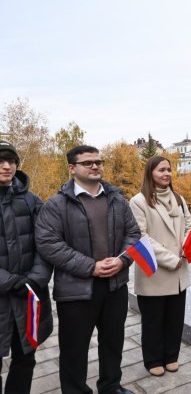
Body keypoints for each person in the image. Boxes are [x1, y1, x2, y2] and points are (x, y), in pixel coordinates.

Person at [35, 145, 140, 394]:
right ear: (72, 169)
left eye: (98, 161)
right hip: (76, 290)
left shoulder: (116, 198)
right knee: (74, 348)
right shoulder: (56, 205)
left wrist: (122, 260)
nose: (95, 166)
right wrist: (90, 267)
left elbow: (133, 233)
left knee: (113, 342)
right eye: (88, 162)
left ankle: (111, 386)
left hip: (115, 285)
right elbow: (49, 244)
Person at [129, 156, 191, 377]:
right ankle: (153, 359)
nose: (166, 173)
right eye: (161, 170)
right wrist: (171, 258)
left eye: (169, 169)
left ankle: (171, 356)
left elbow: (190, 225)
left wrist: (187, 247)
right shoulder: (138, 201)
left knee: (175, 319)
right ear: (150, 173)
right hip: (155, 270)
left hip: (179, 271)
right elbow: (140, 237)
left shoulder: (178, 198)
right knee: (153, 321)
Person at [0, 140, 53, 394]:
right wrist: (11, 282)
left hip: (28, 296)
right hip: (4, 295)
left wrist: (35, 278)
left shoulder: (32, 200)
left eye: (11, 161)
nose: (6, 166)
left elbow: (46, 244)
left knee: (25, 358)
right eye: (0, 161)